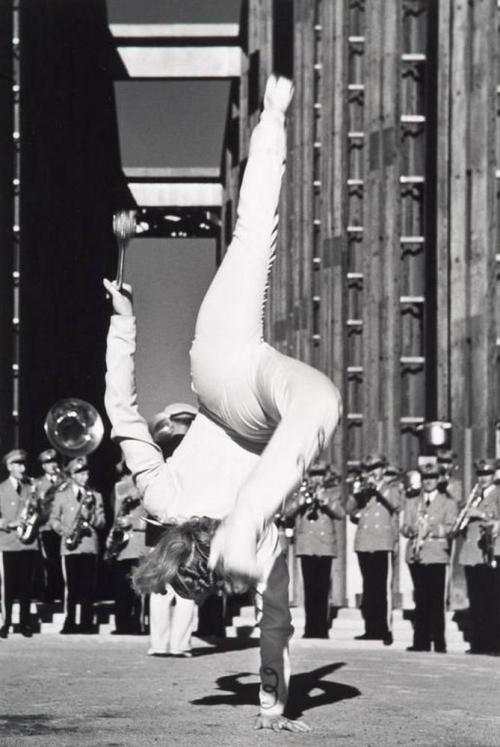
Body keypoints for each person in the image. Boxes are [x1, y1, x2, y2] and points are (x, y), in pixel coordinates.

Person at [104, 74, 340, 732]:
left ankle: (271, 117)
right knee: (318, 397)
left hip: (225, 380)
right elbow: (275, 619)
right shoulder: (225, 532)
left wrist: (124, 320)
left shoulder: (165, 499)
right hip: (255, 394)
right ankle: (272, 117)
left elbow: (121, 410)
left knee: (253, 243)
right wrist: (272, 702)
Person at [146, 404, 198, 656]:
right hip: (189, 528)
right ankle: (181, 645)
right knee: (186, 589)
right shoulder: (200, 452)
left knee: (160, 589)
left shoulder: (158, 450)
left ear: (171, 422)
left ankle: (158, 644)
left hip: (160, 529)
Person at [346, 453, 402, 646]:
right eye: (370, 469)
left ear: (383, 468)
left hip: (382, 543)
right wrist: (356, 497)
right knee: (369, 587)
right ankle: (370, 628)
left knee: (382, 588)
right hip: (364, 543)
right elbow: (348, 509)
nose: (373, 472)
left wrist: (377, 487)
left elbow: (395, 504)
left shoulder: (392, 487)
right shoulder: (363, 489)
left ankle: (385, 629)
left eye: (376, 467)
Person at [401, 462, 457, 653]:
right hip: (417, 555)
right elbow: (404, 527)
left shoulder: (447, 502)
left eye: (432, 478)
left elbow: (451, 529)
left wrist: (430, 529)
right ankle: (421, 641)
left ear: (438, 480)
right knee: (421, 599)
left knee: (435, 599)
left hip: (436, 554)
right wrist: (412, 530)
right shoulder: (412, 501)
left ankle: (439, 642)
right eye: (425, 479)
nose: (428, 482)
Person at [284, 461, 344, 639]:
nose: (317, 478)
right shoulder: (299, 493)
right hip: (307, 546)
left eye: (320, 474)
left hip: (325, 546)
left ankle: (322, 628)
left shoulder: (333, 492)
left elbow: (340, 513)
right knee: (309, 589)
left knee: (323, 588)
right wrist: (301, 501)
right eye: (314, 474)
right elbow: (287, 513)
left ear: (325, 476)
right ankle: (310, 628)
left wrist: (324, 500)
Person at [50, 455, 105, 633]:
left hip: (89, 545)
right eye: (81, 474)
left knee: (88, 587)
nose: (85, 477)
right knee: (72, 587)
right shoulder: (61, 495)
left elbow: (102, 522)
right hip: (69, 546)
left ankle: (87, 622)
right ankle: (70, 622)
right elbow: (53, 519)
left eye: (86, 473)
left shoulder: (96, 495)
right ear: (72, 474)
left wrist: (91, 517)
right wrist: (63, 530)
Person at [457, 459, 499, 655]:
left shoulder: (498, 495)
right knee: (477, 601)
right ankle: (479, 643)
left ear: (494, 475)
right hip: (472, 553)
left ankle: (494, 644)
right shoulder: (474, 496)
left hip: (489, 552)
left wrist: (480, 514)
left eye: (487, 475)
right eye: (480, 475)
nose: (483, 479)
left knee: (492, 600)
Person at [0, 449, 39, 638]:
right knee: (7, 588)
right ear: (9, 466)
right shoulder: (1, 489)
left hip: (28, 543)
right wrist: (9, 524)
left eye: (23, 464)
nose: (23, 468)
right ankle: (4, 623)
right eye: (18, 464)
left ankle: (25, 624)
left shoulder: (30, 488)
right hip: (7, 543)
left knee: (26, 586)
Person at [107, 459, 145, 635]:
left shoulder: (146, 487)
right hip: (123, 543)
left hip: (139, 540)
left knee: (138, 587)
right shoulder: (119, 487)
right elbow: (116, 513)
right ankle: (121, 624)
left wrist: (133, 521)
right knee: (122, 587)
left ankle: (137, 623)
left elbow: (152, 516)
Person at [35, 448, 65, 602]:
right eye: (48, 462)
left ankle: (61, 591)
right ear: (43, 466)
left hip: (62, 526)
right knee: (50, 561)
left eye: (54, 461)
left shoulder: (65, 480)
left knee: (62, 560)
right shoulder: (38, 483)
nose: (52, 465)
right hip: (46, 527)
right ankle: (50, 592)